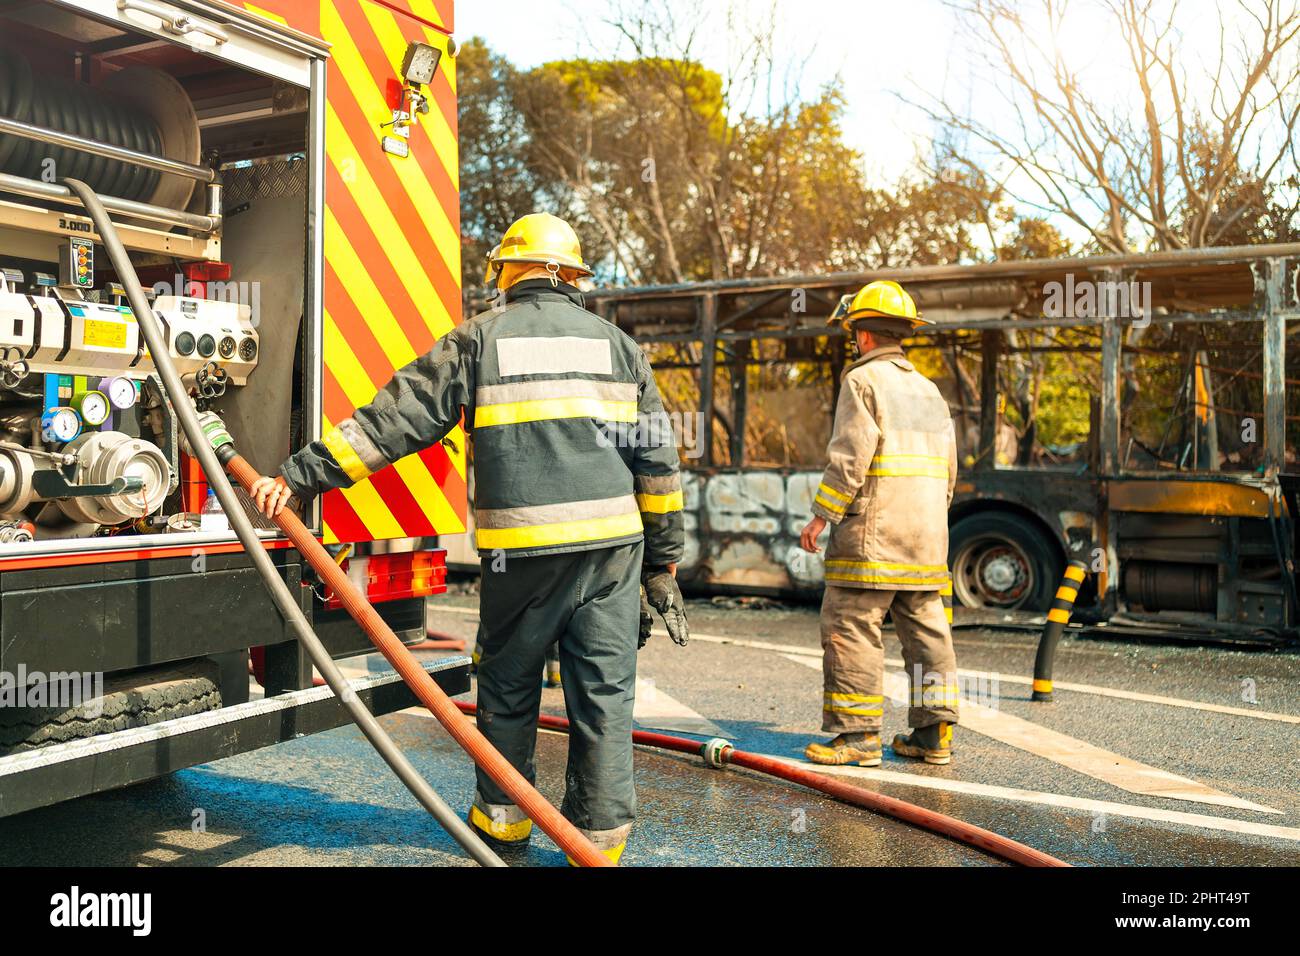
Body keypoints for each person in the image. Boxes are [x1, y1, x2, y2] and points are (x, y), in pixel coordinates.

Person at [252, 212, 688, 864]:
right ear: (571, 276)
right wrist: (663, 563)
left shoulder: (479, 340)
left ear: (506, 274)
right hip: (612, 558)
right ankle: (597, 847)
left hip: (525, 558)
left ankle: (503, 830)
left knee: (509, 692)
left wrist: (302, 476)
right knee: (604, 699)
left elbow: (394, 421)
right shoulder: (620, 349)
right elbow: (657, 461)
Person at [798, 280, 960, 767]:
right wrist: (933, 517)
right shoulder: (928, 389)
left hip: (873, 535)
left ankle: (858, 737)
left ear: (863, 337)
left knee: (850, 623)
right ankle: (934, 736)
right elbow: (949, 469)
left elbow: (850, 458)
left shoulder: (861, 381)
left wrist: (822, 516)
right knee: (927, 628)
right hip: (927, 537)